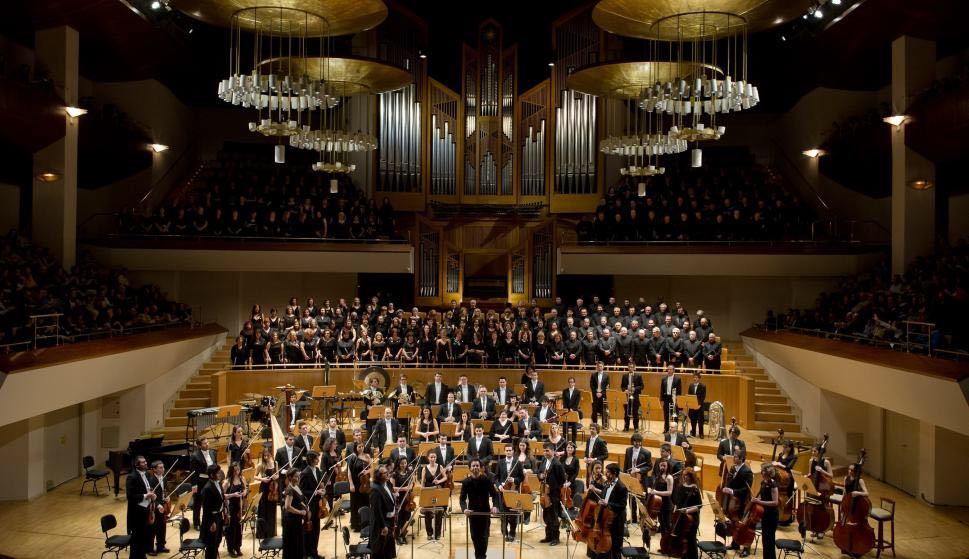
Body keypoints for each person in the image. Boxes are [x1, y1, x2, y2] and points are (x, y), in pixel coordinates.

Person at [461, 458, 502, 559]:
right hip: (472, 512)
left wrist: (495, 506)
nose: (475, 467)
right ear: (470, 468)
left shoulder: (486, 480)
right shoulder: (466, 482)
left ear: (480, 467)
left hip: (485, 512)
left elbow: (495, 495)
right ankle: (478, 555)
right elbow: (462, 498)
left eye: (477, 466)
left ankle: (481, 556)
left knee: (484, 536)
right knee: (474, 536)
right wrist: (464, 509)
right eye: (473, 466)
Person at [723, 453, 754, 556]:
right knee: (734, 522)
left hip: (743, 501)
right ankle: (735, 543)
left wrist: (733, 491)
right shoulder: (732, 468)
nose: (734, 458)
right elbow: (730, 482)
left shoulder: (747, 471)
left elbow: (746, 489)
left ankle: (746, 548)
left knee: (743, 525)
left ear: (741, 459)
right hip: (734, 501)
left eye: (736, 457)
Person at [537, 442, 566, 545]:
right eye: (544, 451)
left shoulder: (557, 464)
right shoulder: (544, 460)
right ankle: (548, 536)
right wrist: (540, 476)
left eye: (547, 451)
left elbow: (562, 479)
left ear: (553, 451)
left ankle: (555, 538)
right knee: (546, 515)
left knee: (554, 516)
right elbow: (539, 472)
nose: (545, 453)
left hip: (553, 495)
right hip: (545, 493)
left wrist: (553, 487)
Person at [126, 455, 154, 559]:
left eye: (145, 461)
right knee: (136, 539)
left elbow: (146, 488)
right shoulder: (132, 477)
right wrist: (146, 495)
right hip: (136, 513)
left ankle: (142, 556)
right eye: (143, 462)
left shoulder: (146, 474)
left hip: (145, 510)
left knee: (143, 537)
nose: (146, 463)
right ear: (136, 465)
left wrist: (151, 493)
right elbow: (130, 496)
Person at [299, 452, 326, 559]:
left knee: (316, 529)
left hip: (318, 505)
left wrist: (323, 491)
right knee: (309, 530)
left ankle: (314, 552)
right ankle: (307, 553)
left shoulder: (318, 471)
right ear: (311, 460)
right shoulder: (305, 473)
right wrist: (315, 492)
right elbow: (302, 491)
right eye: (316, 459)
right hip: (310, 506)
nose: (318, 460)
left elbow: (320, 484)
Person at [496, 444, 525, 541]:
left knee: (513, 515)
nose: (508, 452)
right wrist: (499, 485)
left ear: (513, 451)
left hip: (513, 491)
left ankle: (512, 533)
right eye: (507, 450)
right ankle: (505, 533)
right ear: (504, 451)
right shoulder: (500, 462)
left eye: (510, 450)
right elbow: (496, 477)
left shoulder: (518, 462)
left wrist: (514, 480)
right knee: (503, 514)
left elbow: (522, 477)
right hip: (503, 491)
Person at [601, 463, 629, 559]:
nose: (605, 474)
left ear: (614, 473)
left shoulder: (622, 487)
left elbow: (622, 505)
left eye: (608, 472)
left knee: (616, 545)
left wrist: (607, 504)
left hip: (616, 520)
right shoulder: (607, 483)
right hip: (607, 517)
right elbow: (604, 496)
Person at [672, 469, 702, 559]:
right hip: (680, 517)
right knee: (681, 538)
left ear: (691, 476)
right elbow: (677, 502)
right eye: (684, 475)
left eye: (686, 475)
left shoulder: (695, 489)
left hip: (691, 519)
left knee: (691, 539)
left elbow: (699, 506)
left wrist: (687, 511)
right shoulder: (681, 487)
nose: (684, 477)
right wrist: (675, 510)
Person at [369, 465, 398, 559]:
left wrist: (393, 496)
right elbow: (376, 510)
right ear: (378, 476)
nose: (388, 474)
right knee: (380, 550)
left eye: (387, 472)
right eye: (385, 473)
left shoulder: (388, 483)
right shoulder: (375, 489)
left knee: (388, 549)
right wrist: (383, 526)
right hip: (381, 524)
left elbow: (388, 497)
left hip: (390, 521)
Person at [190, 438, 218, 530]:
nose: (207, 444)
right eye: (204, 443)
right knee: (198, 503)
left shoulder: (213, 453)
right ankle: (196, 523)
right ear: (199, 445)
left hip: (212, 480)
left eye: (207, 442)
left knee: (211, 501)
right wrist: (194, 485)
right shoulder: (195, 456)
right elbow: (193, 472)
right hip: (201, 481)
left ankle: (210, 520)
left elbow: (216, 466)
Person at [752, 465, 780, 559]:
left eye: (763, 471)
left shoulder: (773, 485)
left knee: (770, 541)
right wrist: (756, 499)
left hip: (772, 516)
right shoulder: (763, 482)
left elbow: (775, 502)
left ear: (768, 473)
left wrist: (759, 501)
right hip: (765, 514)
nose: (761, 472)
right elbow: (763, 496)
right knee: (765, 541)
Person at [624, 433, 652, 524]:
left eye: (639, 442)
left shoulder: (646, 453)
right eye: (636, 441)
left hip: (640, 479)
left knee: (641, 500)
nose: (637, 443)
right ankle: (633, 518)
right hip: (631, 478)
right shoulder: (628, 450)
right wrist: (625, 476)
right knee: (631, 499)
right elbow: (626, 464)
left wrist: (639, 469)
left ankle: (642, 519)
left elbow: (649, 466)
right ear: (632, 442)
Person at [422, 450, 449, 540]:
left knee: (439, 512)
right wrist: (423, 492)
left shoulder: (440, 466)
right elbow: (422, 483)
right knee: (428, 513)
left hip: (438, 491)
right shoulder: (424, 468)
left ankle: (437, 533)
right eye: (431, 457)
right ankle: (429, 533)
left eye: (434, 457)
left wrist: (439, 481)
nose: (433, 459)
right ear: (428, 458)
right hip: (429, 492)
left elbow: (445, 477)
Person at [223, 461, 248, 557]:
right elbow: (222, 495)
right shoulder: (227, 481)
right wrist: (233, 494)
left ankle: (238, 546)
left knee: (239, 528)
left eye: (238, 469)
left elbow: (245, 488)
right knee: (231, 528)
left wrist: (244, 492)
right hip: (231, 507)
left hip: (240, 506)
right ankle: (231, 548)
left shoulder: (242, 478)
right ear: (231, 471)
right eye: (235, 470)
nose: (237, 472)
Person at [200, 464, 225, 559]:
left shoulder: (217, 483)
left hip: (219, 516)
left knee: (218, 540)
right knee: (211, 544)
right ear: (211, 475)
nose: (220, 474)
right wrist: (211, 522)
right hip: (212, 518)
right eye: (218, 473)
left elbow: (220, 497)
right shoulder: (207, 489)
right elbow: (206, 509)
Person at [146, 460, 170, 556]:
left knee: (162, 527)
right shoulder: (151, 480)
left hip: (162, 505)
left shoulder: (163, 477)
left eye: (163, 467)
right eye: (160, 467)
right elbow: (151, 496)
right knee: (152, 529)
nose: (163, 469)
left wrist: (166, 497)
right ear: (154, 469)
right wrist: (158, 504)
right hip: (153, 507)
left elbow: (164, 491)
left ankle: (161, 546)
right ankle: (149, 548)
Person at [348, 442, 372, 531]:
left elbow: (372, 467)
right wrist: (351, 484)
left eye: (362, 446)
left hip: (365, 483)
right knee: (355, 504)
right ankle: (356, 525)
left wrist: (367, 471)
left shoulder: (367, 456)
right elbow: (349, 472)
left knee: (366, 502)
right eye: (359, 447)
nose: (361, 448)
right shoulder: (352, 457)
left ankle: (365, 523)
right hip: (356, 483)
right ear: (355, 447)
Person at [282, 469, 306, 559]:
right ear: (290, 477)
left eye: (298, 475)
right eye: (296, 476)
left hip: (297, 520)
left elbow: (299, 499)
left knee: (298, 543)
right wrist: (300, 512)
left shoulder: (296, 486)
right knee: (293, 544)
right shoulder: (289, 489)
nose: (298, 477)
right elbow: (287, 507)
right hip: (292, 521)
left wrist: (304, 506)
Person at [255, 449, 279, 538]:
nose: (266, 458)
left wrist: (275, 476)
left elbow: (278, 475)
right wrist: (263, 479)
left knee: (272, 509)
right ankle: (262, 533)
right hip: (264, 488)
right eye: (264, 456)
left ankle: (271, 532)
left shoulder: (275, 463)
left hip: (273, 489)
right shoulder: (261, 465)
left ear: (270, 455)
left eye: (267, 456)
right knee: (263, 509)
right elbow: (254, 476)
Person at [621, 361, 644, 431]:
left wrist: (635, 389)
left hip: (635, 396)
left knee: (635, 413)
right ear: (628, 367)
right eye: (629, 367)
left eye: (632, 367)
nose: (630, 368)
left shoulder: (638, 376)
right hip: (627, 396)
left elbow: (642, 386)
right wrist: (625, 390)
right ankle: (626, 427)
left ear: (634, 368)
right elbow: (622, 386)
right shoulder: (624, 376)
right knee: (626, 413)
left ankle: (636, 427)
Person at [659, 365, 682, 433]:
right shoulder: (664, 379)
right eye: (668, 369)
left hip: (674, 398)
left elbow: (679, 390)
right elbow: (662, 390)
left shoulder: (677, 379)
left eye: (671, 369)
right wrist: (661, 400)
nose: (669, 371)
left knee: (674, 415)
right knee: (666, 415)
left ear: (673, 370)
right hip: (666, 398)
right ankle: (666, 429)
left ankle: (674, 429)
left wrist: (678, 399)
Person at [561, 376, 582, 441]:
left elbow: (577, 402)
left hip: (574, 411)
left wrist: (573, 409)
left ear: (574, 383)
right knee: (565, 426)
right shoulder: (565, 391)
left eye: (572, 382)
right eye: (570, 382)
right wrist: (566, 409)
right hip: (566, 411)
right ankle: (565, 441)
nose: (571, 383)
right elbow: (564, 401)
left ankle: (573, 441)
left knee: (574, 426)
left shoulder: (577, 392)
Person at [686, 372, 707, 438]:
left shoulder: (703, 386)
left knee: (700, 420)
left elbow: (703, 397)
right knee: (693, 420)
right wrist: (690, 404)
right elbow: (689, 395)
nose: (695, 379)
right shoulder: (691, 385)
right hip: (692, 406)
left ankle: (701, 433)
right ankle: (693, 432)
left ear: (699, 378)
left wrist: (699, 405)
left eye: (696, 377)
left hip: (699, 406)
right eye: (694, 377)